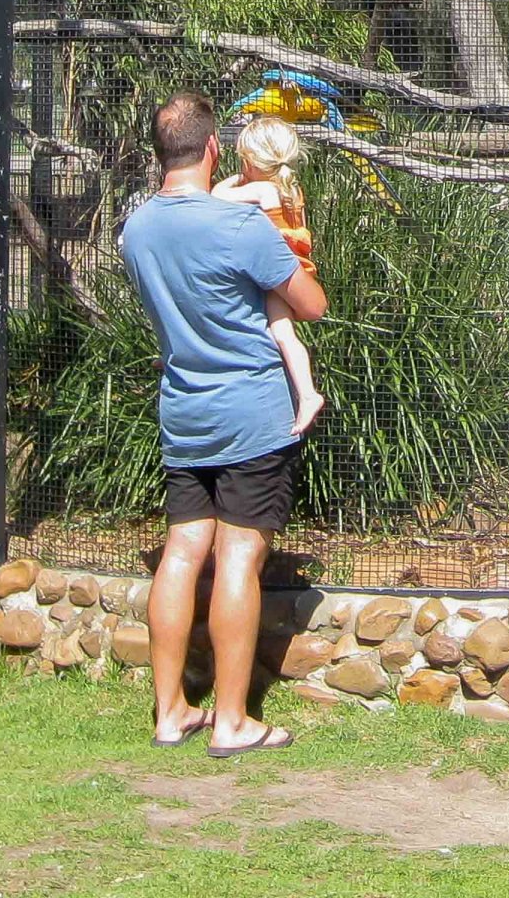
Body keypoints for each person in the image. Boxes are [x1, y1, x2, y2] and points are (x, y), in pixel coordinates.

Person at [123, 92, 327, 757]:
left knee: (182, 552)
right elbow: (311, 304)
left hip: (183, 410)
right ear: (214, 149)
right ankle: (234, 719)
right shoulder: (242, 229)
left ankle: (170, 711)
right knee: (240, 554)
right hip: (250, 413)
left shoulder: (137, 230)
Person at [211, 115, 327, 438]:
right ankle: (304, 392)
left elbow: (214, 197)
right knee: (282, 331)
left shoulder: (263, 190)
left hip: (280, 275)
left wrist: (237, 177)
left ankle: (307, 393)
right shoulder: (290, 187)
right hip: (295, 269)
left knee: (282, 332)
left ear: (250, 161)